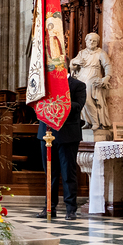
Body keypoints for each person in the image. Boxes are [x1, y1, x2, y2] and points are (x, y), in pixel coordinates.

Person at [37, 75, 87, 220]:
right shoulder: (45, 83)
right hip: (46, 132)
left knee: (68, 173)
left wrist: (60, 101)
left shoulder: (78, 85)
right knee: (49, 174)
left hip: (68, 134)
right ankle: (49, 207)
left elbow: (78, 106)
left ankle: (70, 209)